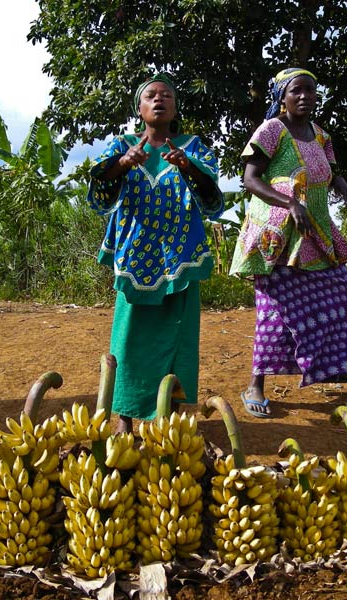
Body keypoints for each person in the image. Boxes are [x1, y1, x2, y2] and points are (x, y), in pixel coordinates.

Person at [87, 73, 224, 433]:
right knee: (130, 334)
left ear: (175, 107)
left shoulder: (192, 145)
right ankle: (125, 416)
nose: (159, 99)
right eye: (151, 95)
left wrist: (187, 165)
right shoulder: (122, 143)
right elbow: (99, 184)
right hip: (134, 252)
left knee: (179, 331)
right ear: (140, 108)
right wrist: (123, 163)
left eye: (166, 95)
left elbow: (212, 194)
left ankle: (173, 417)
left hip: (179, 254)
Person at [229, 67, 347, 418]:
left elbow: (330, 171)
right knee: (275, 311)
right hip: (279, 236)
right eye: (296, 91)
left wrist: (341, 185)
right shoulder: (272, 130)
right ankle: (255, 385)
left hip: (315, 230)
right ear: (282, 98)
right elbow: (251, 179)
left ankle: (331, 366)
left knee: (342, 294)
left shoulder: (320, 136)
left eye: (310, 91)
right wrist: (288, 202)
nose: (304, 97)